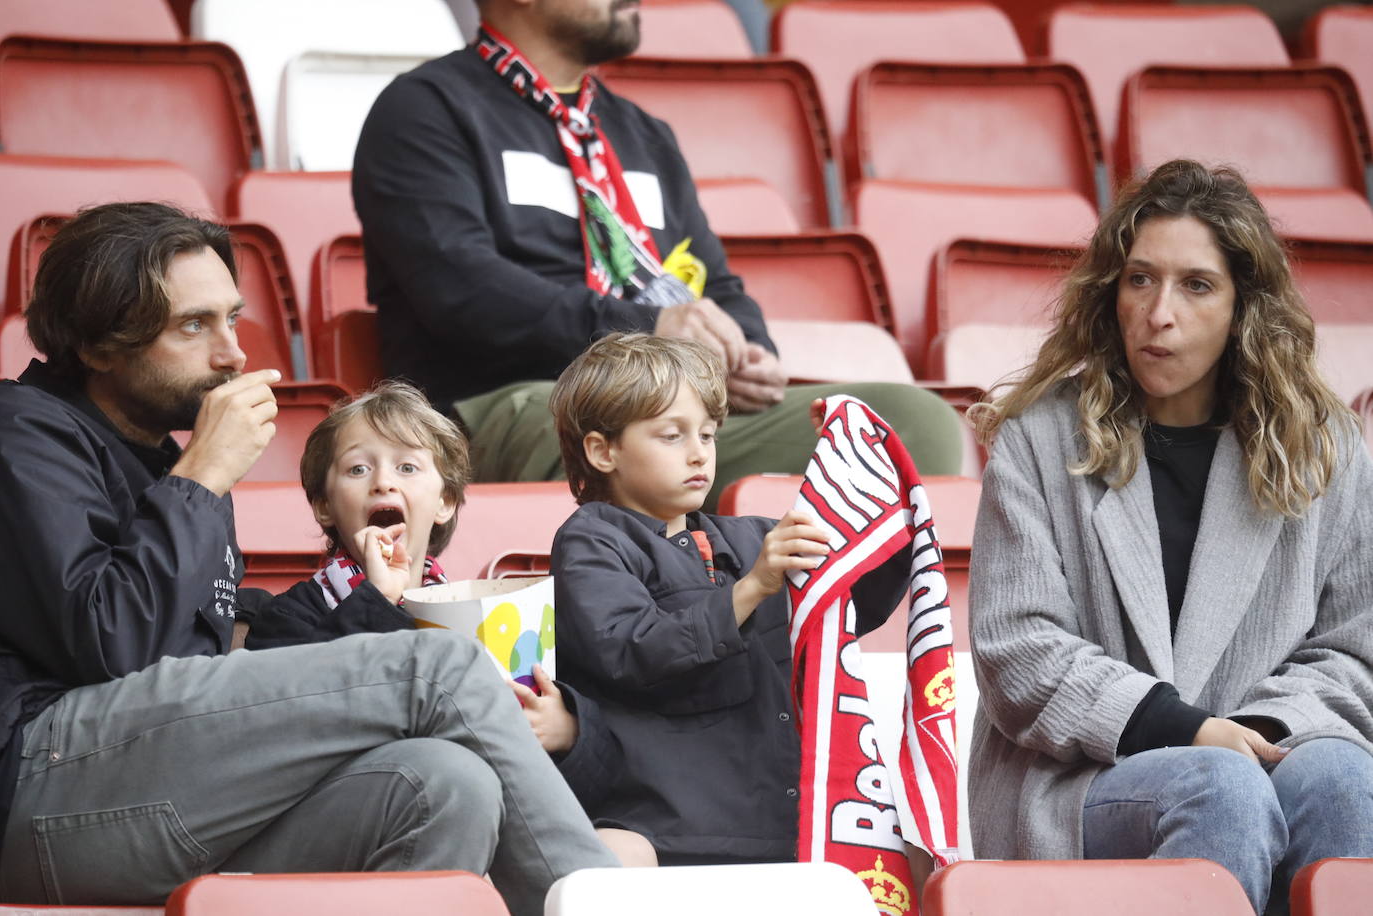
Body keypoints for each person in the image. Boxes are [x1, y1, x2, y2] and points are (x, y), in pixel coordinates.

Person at [0, 202, 616, 914]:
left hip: (149, 783)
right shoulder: (24, 433)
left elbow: (198, 642)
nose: (233, 353)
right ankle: (604, 906)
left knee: (445, 783)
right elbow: (114, 647)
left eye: (232, 319)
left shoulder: (168, 461)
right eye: (193, 326)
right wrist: (200, 477)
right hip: (39, 786)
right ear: (99, 344)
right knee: (438, 663)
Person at [351, 0, 963, 509]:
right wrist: (648, 333)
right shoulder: (424, 110)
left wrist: (745, 352)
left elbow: (716, 286)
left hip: (668, 404)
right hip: (517, 404)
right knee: (653, 441)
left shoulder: (643, 134)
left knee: (905, 422)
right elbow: (463, 292)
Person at [965, 159, 1373, 914]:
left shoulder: (1327, 448)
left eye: (1197, 285)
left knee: (1346, 779)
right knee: (1221, 789)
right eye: (1140, 279)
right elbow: (1017, 650)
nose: (1159, 314)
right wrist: (1185, 731)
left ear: (1243, 306)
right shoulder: (1038, 439)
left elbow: (1356, 650)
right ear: (1111, 293)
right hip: (1074, 783)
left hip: (1269, 744)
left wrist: (1244, 734)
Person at [546, 333, 906, 865]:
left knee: (913, 855)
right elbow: (630, 649)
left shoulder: (749, 536)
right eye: (672, 435)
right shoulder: (592, 540)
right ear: (603, 451)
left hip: (785, 823)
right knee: (608, 862)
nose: (699, 453)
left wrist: (870, 492)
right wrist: (751, 589)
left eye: (709, 435)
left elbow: (853, 604)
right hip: (663, 827)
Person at [242, 380, 625, 821]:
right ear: (324, 506)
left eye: (407, 467)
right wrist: (377, 602)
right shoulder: (290, 618)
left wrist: (569, 732)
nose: (383, 482)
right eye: (357, 470)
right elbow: (298, 728)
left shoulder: (486, 615)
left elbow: (589, 787)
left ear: (444, 501)